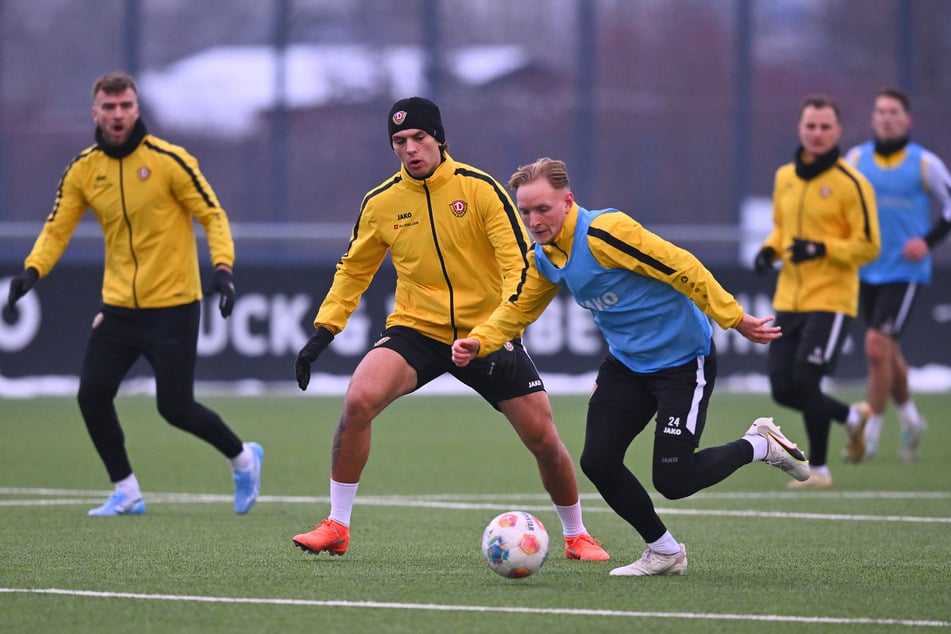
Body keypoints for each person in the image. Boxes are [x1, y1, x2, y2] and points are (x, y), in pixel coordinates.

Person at [452, 157, 810, 577]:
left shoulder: (606, 233)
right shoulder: (546, 257)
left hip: (682, 363)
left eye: (543, 209)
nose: (533, 219)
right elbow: (518, 310)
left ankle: (760, 444)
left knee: (673, 480)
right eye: (525, 211)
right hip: (626, 366)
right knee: (598, 460)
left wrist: (733, 317)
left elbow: (682, 266)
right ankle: (665, 552)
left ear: (568, 202)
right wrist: (481, 340)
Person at [291, 97, 609, 561]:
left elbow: (518, 263)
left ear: (438, 138)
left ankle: (577, 534)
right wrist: (324, 331)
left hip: (485, 333)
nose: (410, 148)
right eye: (399, 141)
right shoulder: (381, 203)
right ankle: (337, 525)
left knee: (542, 437)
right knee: (358, 399)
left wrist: (501, 330)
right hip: (416, 330)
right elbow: (353, 270)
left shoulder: (480, 189)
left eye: (419, 137)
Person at [4, 71, 263, 516]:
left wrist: (223, 269)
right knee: (92, 394)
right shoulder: (84, 169)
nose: (118, 114)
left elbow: (213, 215)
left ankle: (244, 458)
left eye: (125, 105)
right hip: (119, 307)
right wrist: (32, 271)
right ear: (96, 113)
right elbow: (56, 228)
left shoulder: (169, 160)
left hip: (175, 304)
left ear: (136, 109)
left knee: (175, 408)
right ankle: (126, 491)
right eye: (109, 107)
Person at [754, 94, 880, 488]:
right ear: (800, 129)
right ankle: (853, 417)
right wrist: (769, 250)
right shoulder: (785, 177)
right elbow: (782, 229)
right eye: (811, 125)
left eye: (825, 127)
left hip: (831, 298)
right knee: (782, 387)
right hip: (790, 298)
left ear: (838, 131)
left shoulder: (852, 183)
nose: (817, 133)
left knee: (806, 380)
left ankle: (820, 470)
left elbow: (869, 245)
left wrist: (823, 248)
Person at [845, 87, 951, 462]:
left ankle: (869, 434)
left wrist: (929, 240)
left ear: (907, 120)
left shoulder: (925, 164)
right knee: (887, 353)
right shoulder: (856, 159)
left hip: (905, 272)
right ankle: (911, 419)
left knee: (876, 348)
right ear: (873, 118)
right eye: (881, 111)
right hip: (865, 269)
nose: (887, 118)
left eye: (894, 112)